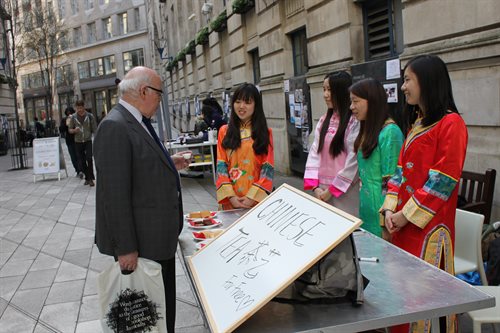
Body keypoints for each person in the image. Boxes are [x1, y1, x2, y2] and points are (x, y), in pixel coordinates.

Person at [94, 66, 191, 333]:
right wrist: (125, 247)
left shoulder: (137, 120)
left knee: (161, 312)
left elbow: (136, 166)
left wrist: (169, 163)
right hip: (142, 243)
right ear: (144, 91)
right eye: (159, 94)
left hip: (157, 239)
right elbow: (113, 194)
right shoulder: (115, 126)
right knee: (149, 318)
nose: (160, 101)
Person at [380, 54, 468, 333]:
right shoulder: (417, 123)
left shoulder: (451, 124)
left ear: (427, 82)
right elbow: (399, 174)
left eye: (408, 80)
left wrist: (404, 216)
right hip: (403, 226)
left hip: (428, 228)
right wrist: (388, 211)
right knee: (401, 298)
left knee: (424, 303)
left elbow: (442, 183)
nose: (403, 86)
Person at [349, 78, 403, 238]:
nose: (351, 107)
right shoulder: (367, 130)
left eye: (355, 101)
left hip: (383, 215)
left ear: (371, 101)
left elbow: (393, 181)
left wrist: (388, 216)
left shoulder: (390, 132)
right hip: (366, 209)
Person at [304, 71, 360, 217]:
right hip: (321, 192)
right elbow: (315, 152)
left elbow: (353, 161)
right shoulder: (324, 121)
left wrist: (332, 190)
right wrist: (315, 187)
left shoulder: (354, 122)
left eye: (330, 90)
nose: (325, 95)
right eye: (324, 89)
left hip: (345, 193)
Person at [216, 83, 274, 210]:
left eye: (247, 102)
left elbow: (267, 169)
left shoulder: (265, 132)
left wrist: (251, 198)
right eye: (238, 102)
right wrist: (231, 197)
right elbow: (221, 166)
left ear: (256, 106)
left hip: (256, 202)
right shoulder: (224, 131)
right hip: (230, 202)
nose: (241, 107)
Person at [68, 100, 97, 186]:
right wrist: (74, 130)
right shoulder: (73, 117)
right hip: (78, 142)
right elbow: (69, 129)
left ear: (84, 107)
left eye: (81, 107)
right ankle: (87, 178)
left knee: (89, 159)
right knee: (82, 161)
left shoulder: (90, 116)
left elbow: (95, 129)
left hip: (88, 140)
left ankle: (91, 179)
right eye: (77, 108)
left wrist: (96, 138)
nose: (79, 110)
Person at [60, 107, 81, 177]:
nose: (69, 114)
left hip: (77, 139)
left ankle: (80, 170)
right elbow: (61, 129)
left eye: (70, 113)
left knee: (79, 155)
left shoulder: (76, 118)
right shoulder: (64, 120)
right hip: (69, 140)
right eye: (67, 113)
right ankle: (77, 170)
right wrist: (66, 124)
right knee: (73, 156)